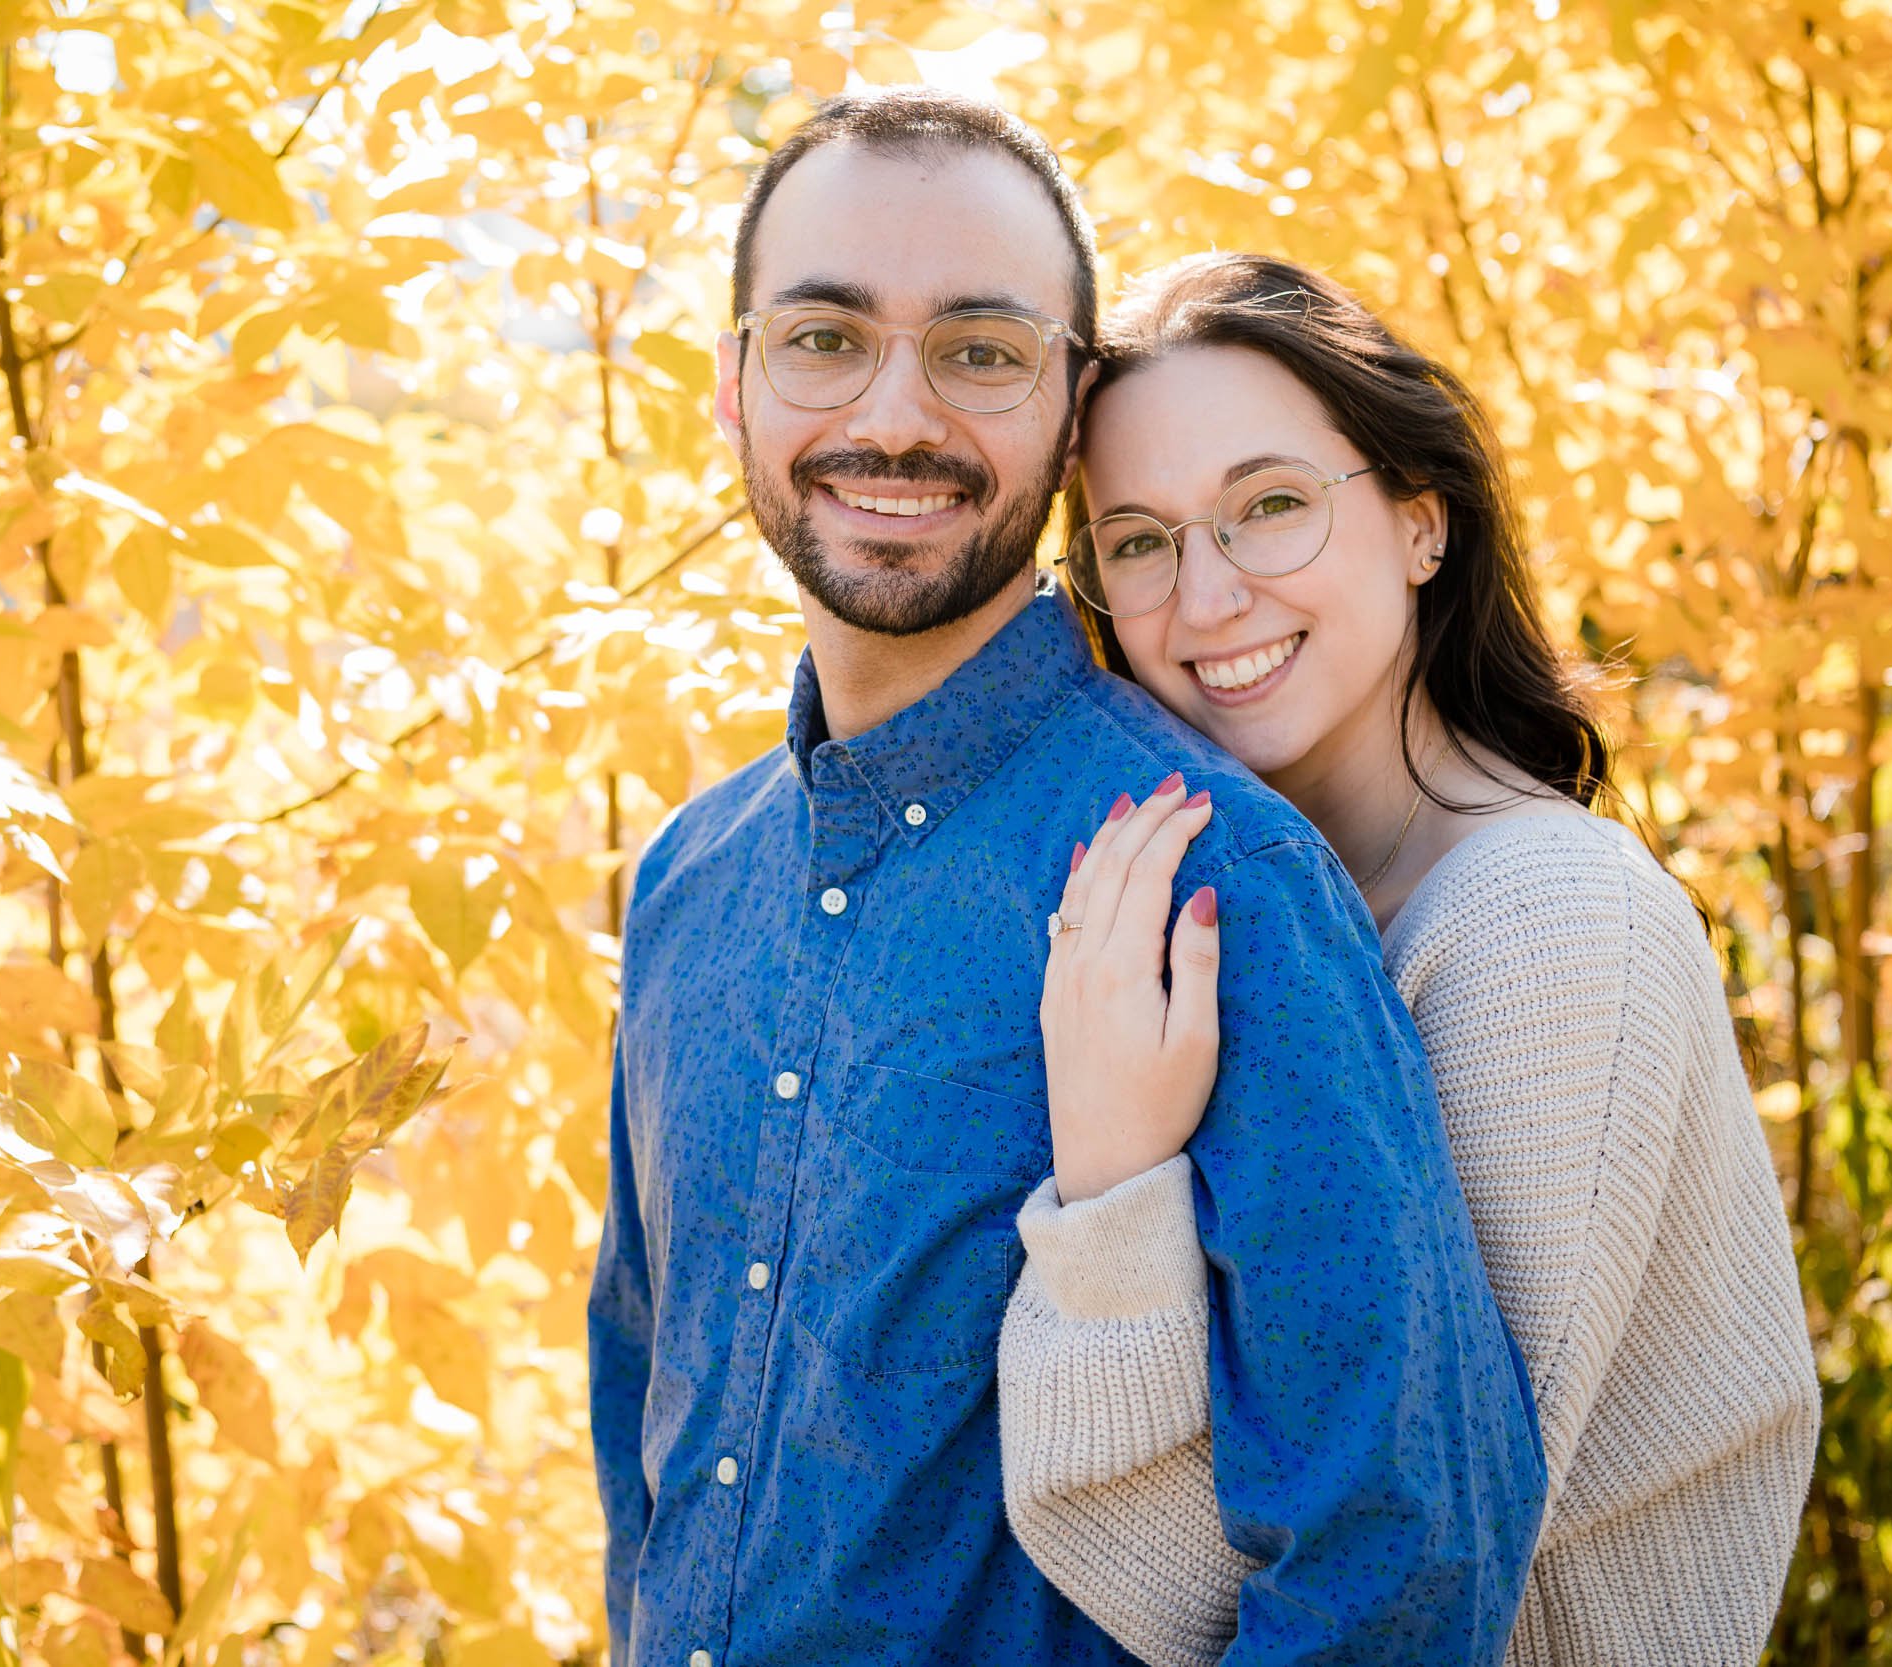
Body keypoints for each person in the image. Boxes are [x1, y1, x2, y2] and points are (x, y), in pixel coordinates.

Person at [586, 90, 1545, 1667]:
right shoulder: (690, 883)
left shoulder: (1212, 880)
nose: (895, 417)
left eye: (979, 349)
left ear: (1071, 399)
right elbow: (648, 1413)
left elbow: (1410, 1548)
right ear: (733, 380)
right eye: (825, 337)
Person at [997, 252, 1821, 1667]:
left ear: (1420, 523)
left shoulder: (1544, 922)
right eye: (1138, 540)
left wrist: (1110, 1186)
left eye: (1268, 507)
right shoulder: (1256, 907)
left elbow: (1395, 1572)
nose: (1207, 601)